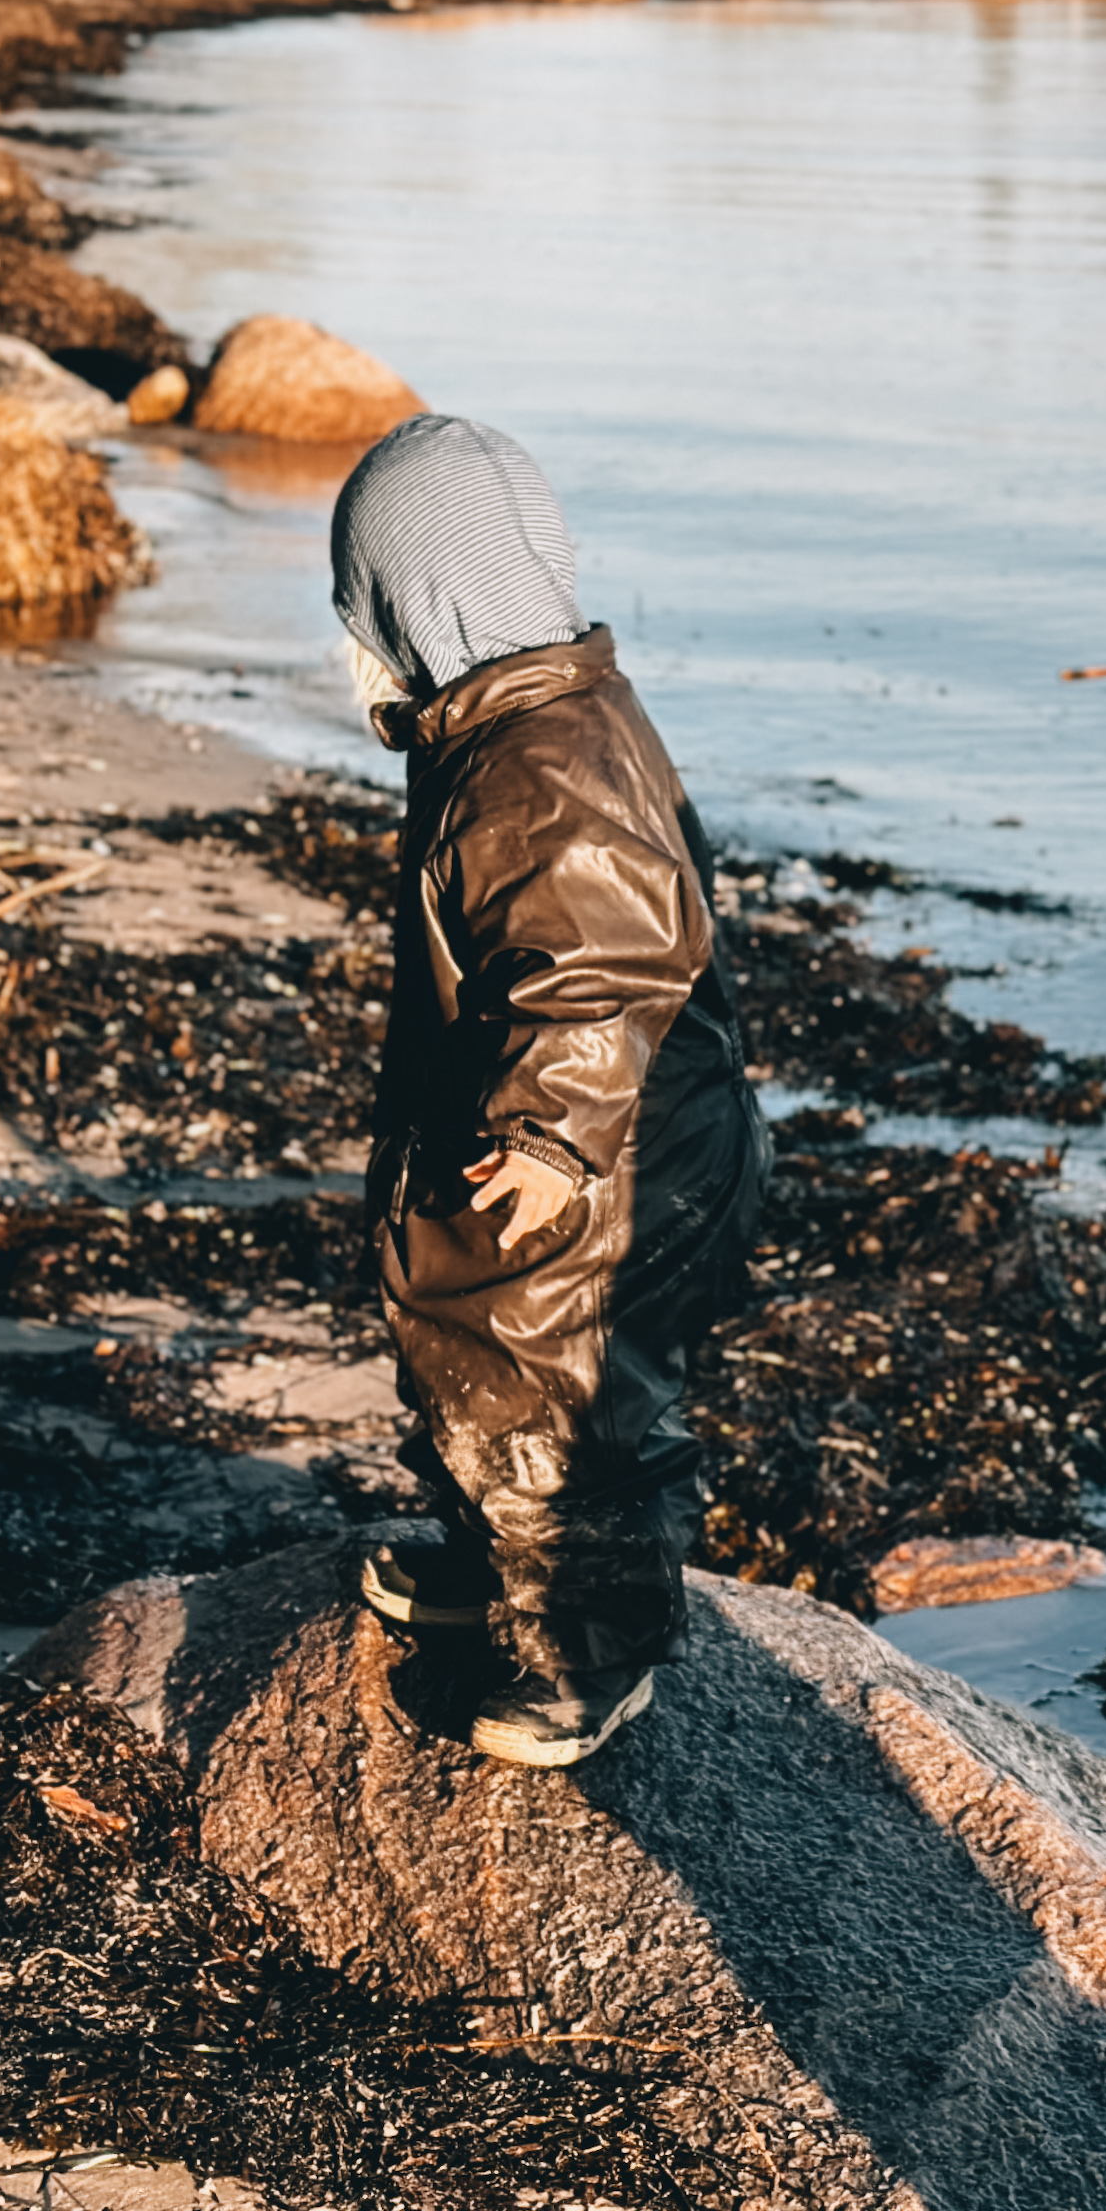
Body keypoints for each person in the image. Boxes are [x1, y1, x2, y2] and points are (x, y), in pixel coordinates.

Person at [327, 414, 769, 1770]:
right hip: (590, 1133)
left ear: (416, 604)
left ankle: (587, 1651)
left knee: (561, 1400)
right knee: (474, 1359)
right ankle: (491, 1568)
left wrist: (547, 1133)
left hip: (606, 1153)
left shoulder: (542, 762)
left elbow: (603, 954)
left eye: (365, 611)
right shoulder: (523, 720)